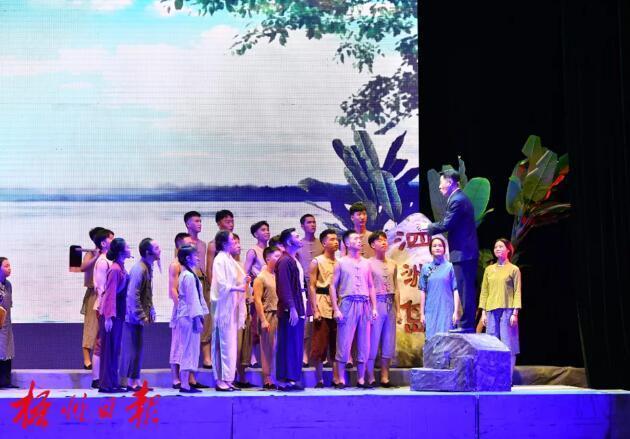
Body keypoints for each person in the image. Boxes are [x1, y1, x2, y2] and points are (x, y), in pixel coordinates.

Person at [426, 169, 478, 333]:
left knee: (465, 290)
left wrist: (427, 227)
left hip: (463, 253)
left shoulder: (457, 200)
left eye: (441, 182)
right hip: (463, 252)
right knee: (464, 289)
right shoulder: (458, 198)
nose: (439, 186)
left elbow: (447, 224)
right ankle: (466, 324)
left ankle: (467, 325)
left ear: (449, 182)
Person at [330, 230, 377, 388]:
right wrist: (336, 308)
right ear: (347, 243)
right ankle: (341, 378)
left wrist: (374, 307)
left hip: (364, 304)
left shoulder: (366, 263)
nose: (359, 241)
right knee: (344, 341)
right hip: (347, 303)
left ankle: (361, 379)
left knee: (364, 342)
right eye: (355, 239)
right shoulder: (340, 262)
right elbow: (332, 286)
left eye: (359, 238)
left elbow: (371, 286)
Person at [210, 231, 250, 392]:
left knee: (230, 345)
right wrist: (238, 288)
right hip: (222, 310)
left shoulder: (230, 259)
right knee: (222, 343)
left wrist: (244, 282)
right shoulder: (220, 259)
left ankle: (228, 378)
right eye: (232, 239)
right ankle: (220, 379)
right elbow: (221, 284)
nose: (235, 241)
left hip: (231, 307)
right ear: (225, 242)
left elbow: (236, 279)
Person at [168, 233, 209, 390]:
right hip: (188, 316)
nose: (198, 258)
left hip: (188, 315)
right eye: (194, 255)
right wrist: (198, 318)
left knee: (189, 349)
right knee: (187, 349)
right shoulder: (188, 276)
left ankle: (186, 382)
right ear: (187, 258)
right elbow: (192, 300)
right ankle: (184, 383)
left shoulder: (189, 274)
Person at [119, 238, 160, 391]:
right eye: (156, 248)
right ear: (148, 252)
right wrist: (140, 314)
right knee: (132, 349)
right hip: (132, 317)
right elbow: (132, 295)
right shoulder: (139, 269)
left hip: (137, 317)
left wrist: (151, 309)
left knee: (138, 349)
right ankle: (130, 383)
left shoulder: (147, 267)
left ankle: (135, 381)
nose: (160, 250)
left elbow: (147, 293)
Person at [479, 238, 522, 373]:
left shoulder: (514, 269)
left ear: (508, 250)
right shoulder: (489, 269)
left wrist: (515, 313)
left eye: (501, 246)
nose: (497, 249)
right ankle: (493, 375)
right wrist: (483, 312)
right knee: (491, 343)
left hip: (507, 311)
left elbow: (517, 291)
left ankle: (507, 376)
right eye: (496, 247)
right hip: (491, 310)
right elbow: (484, 291)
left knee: (508, 343)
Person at [366, 231, 402, 387]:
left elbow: (397, 288)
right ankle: (369, 375)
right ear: (373, 245)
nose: (383, 243)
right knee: (373, 340)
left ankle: (385, 375)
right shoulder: (367, 263)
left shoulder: (393, 264)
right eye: (380, 240)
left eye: (385, 240)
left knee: (389, 340)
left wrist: (398, 310)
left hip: (390, 303)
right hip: (375, 304)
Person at [274, 228, 306, 391]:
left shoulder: (293, 259)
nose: (300, 238)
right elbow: (284, 287)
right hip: (290, 310)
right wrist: (291, 308)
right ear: (288, 241)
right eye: (297, 236)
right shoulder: (285, 261)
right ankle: (284, 379)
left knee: (294, 343)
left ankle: (291, 378)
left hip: (298, 306)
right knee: (288, 343)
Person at [308, 229, 340, 388]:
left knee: (337, 344)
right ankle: (319, 379)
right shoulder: (317, 261)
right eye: (332, 239)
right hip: (322, 302)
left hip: (338, 304)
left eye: (337, 239)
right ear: (324, 243)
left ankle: (336, 378)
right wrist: (315, 309)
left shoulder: (340, 262)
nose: (336, 242)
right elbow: (312, 286)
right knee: (320, 344)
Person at [99, 238, 131, 393]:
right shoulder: (115, 270)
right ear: (121, 251)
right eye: (127, 247)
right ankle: (106, 384)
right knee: (109, 350)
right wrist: (108, 317)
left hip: (118, 313)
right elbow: (110, 294)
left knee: (115, 349)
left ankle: (113, 382)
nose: (130, 249)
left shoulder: (121, 268)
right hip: (111, 315)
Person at [184, 211, 212, 370]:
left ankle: (207, 358)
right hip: (190, 282)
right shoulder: (184, 242)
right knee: (192, 319)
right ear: (188, 224)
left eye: (200, 221)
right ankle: (190, 362)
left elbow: (206, 265)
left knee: (206, 319)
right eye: (196, 221)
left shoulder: (202, 244)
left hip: (203, 282)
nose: (199, 224)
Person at [419, 237, 460, 340]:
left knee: (446, 339)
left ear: (444, 249)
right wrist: (422, 313)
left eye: (440, 246)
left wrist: (456, 311)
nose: (437, 248)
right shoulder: (425, 268)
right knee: (431, 339)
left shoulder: (450, 267)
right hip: (431, 309)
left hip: (446, 309)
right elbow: (422, 291)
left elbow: (456, 290)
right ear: (430, 249)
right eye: (434, 246)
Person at [252, 246, 282, 389]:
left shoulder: (278, 275)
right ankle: (267, 378)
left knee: (278, 347)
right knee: (267, 347)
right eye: (276, 256)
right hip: (268, 314)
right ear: (268, 258)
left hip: (280, 314)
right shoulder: (260, 277)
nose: (279, 259)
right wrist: (263, 320)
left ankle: (278, 376)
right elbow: (257, 300)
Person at [297, 214, 323, 367]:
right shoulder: (299, 245)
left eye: (314, 222)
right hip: (304, 290)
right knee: (306, 323)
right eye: (309, 222)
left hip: (320, 289)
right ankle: (304, 355)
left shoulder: (321, 244)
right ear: (302, 226)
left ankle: (320, 355)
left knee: (320, 323)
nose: (312, 225)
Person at [244, 220, 270, 369]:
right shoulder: (253, 251)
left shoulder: (270, 250)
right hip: (257, 290)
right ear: (255, 234)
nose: (267, 232)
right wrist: (248, 295)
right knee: (255, 323)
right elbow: (245, 273)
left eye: (267, 229)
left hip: (270, 292)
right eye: (263, 230)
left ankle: (267, 357)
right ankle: (252, 357)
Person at [90, 228, 114, 388]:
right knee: (100, 342)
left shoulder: (109, 260)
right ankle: (96, 378)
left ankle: (105, 376)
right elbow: (100, 288)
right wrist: (106, 309)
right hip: (103, 307)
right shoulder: (102, 261)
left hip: (109, 306)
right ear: (104, 243)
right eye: (111, 239)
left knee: (107, 342)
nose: (114, 241)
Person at [79, 227, 104, 370]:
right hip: (93, 294)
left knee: (102, 329)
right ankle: (87, 360)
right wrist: (96, 256)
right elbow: (82, 268)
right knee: (91, 326)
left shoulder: (107, 255)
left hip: (104, 294)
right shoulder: (90, 253)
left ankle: (99, 358)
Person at [231, 233, 254, 388]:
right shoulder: (225, 264)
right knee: (235, 344)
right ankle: (230, 377)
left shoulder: (240, 264)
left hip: (244, 307)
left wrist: (249, 297)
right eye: (235, 243)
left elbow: (245, 285)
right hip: (234, 309)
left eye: (239, 242)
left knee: (244, 345)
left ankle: (242, 376)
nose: (238, 246)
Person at [0, 257, 17, 389]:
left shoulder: (9, 285)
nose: (9, 268)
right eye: (6, 266)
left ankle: (6, 381)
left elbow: (9, 305)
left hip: (7, 323)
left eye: (9, 265)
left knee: (8, 351)